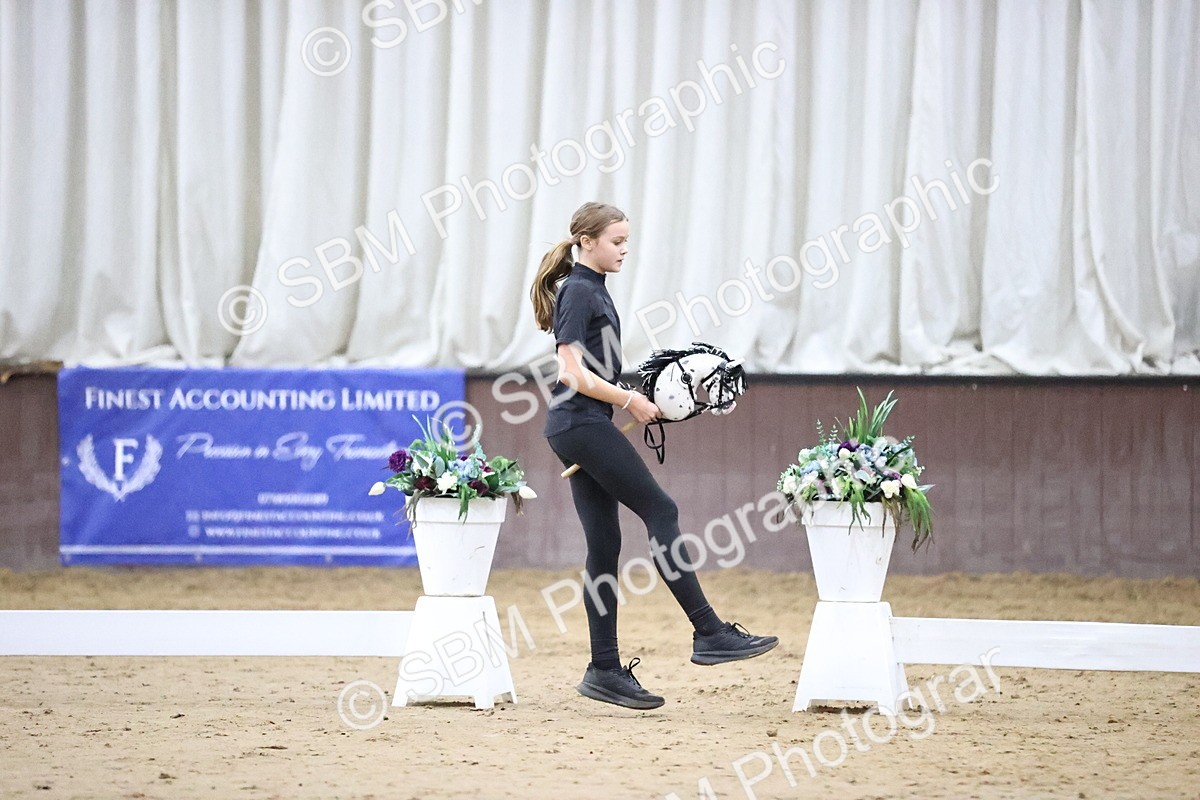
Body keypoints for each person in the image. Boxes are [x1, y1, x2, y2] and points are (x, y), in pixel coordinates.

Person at [530, 201, 778, 710]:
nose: (625, 250)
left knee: (604, 546)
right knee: (661, 510)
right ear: (586, 241)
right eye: (616, 241)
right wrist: (628, 400)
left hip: (580, 425)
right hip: (579, 423)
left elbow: (594, 371)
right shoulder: (578, 290)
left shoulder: (591, 289)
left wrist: (651, 398)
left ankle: (603, 669)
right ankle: (708, 632)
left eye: (626, 241)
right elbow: (571, 374)